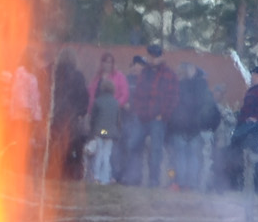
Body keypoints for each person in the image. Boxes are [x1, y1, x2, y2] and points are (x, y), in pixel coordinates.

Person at [128, 44, 177, 187]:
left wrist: (164, 115)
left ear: (161, 57)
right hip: (142, 117)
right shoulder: (144, 73)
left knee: (156, 150)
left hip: (158, 119)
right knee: (133, 145)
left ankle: (153, 180)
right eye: (150, 56)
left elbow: (174, 98)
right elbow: (137, 94)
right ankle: (134, 177)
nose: (152, 59)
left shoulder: (169, 74)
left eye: (155, 56)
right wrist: (138, 110)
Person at [169, 61, 219, 190]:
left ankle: (181, 182)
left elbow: (174, 107)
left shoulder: (179, 86)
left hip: (181, 126)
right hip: (196, 127)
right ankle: (191, 184)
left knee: (181, 156)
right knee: (193, 156)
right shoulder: (203, 88)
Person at [84, 53, 126, 185]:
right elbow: (118, 120)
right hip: (111, 133)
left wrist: (92, 129)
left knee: (99, 154)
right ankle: (106, 178)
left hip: (100, 132)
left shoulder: (99, 101)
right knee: (107, 155)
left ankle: (96, 176)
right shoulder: (115, 103)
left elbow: (94, 116)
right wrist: (117, 130)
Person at [51, 50, 89, 180]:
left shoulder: (55, 75)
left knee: (57, 145)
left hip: (56, 116)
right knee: (73, 145)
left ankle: (56, 172)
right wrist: (80, 113)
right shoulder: (78, 76)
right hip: (72, 117)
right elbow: (84, 98)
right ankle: (72, 175)